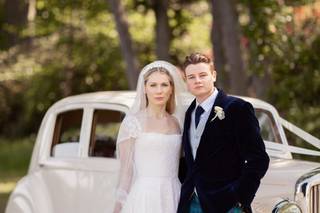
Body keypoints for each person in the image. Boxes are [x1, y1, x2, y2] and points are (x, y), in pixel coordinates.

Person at [177, 53, 270, 213]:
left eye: (202, 75)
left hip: (228, 205)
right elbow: (193, 161)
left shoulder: (237, 108)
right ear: (186, 81)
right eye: (191, 77)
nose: (197, 80)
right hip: (192, 203)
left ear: (213, 75)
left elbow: (259, 159)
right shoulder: (189, 113)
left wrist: (240, 197)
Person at [113, 61, 185, 213]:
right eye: (153, 85)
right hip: (145, 196)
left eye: (164, 85)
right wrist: (118, 206)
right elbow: (126, 171)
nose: (159, 90)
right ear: (144, 89)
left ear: (171, 89)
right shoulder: (133, 122)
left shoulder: (176, 123)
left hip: (174, 194)